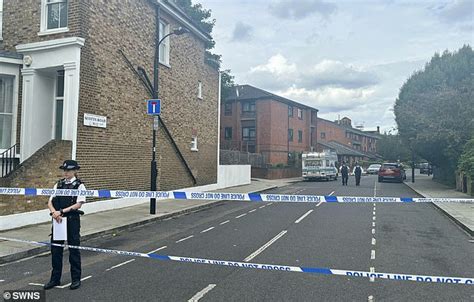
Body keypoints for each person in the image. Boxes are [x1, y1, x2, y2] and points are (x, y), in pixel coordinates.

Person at [44, 160, 86, 290]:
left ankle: (76, 279)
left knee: (73, 250)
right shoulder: (59, 184)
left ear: (75, 171)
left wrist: (61, 211)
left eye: (68, 170)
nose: (66, 172)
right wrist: (54, 213)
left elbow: (79, 204)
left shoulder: (80, 186)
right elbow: (50, 201)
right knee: (56, 250)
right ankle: (55, 279)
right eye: (65, 170)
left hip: (72, 219)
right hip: (58, 220)